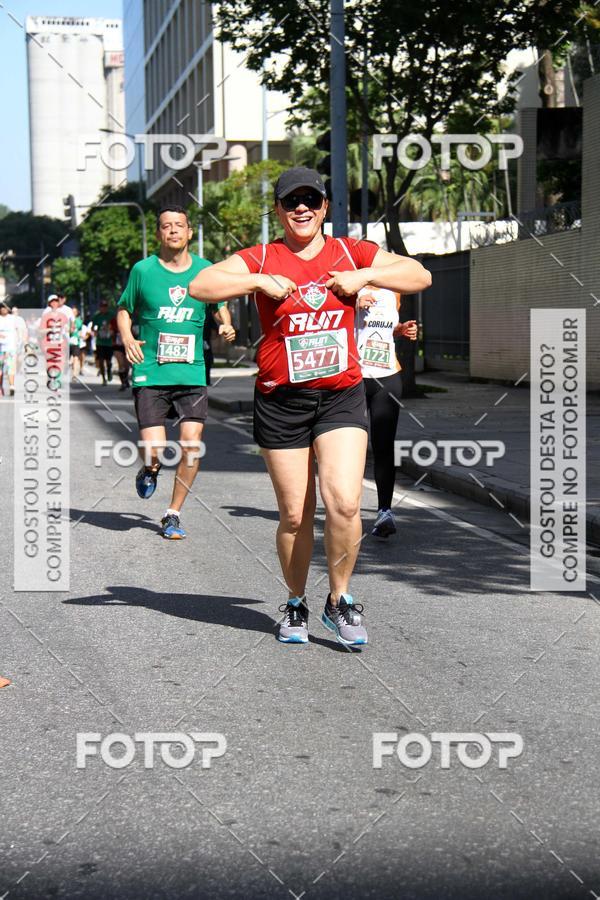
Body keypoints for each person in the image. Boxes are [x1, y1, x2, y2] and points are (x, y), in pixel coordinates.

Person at [189, 166, 431, 647]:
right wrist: (258, 282)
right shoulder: (262, 255)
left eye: (311, 200)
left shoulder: (349, 250)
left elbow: (418, 274)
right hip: (281, 399)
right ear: (278, 210)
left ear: (324, 207)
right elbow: (202, 286)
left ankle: (339, 600)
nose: (301, 207)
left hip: (341, 395)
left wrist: (365, 274)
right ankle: (297, 601)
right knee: (296, 515)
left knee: (344, 502)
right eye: (290, 200)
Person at [117, 205, 236, 539]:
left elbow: (220, 306)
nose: (173, 231)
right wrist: (127, 337)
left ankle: (172, 513)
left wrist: (226, 324)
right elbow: (125, 309)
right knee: (155, 449)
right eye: (166, 226)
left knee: (191, 445)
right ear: (159, 233)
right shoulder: (143, 270)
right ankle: (151, 467)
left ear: (190, 232)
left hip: (191, 373)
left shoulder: (205, 269)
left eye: (179, 225)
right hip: (151, 370)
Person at [356, 287, 417, 537]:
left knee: (384, 445)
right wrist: (354, 303)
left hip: (387, 375)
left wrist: (400, 330)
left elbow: (383, 329)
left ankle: (384, 512)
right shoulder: (347, 288)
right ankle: (346, 509)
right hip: (354, 378)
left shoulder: (393, 292)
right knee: (352, 447)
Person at [203, 302, 234, 385]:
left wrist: (227, 325)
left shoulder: (207, 305)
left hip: (204, 340)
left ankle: (206, 381)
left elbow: (220, 309)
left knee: (207, 360)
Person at [92, 300, 114, 384]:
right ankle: (103, 378)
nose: (103, 308)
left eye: (105, 306)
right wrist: (95, 331)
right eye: (102, 306)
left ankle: (109, 371)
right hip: (100, 342)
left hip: (109, 342)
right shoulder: (97, 316)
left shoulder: (111, 315)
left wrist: (111, 329)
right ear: (100, 307)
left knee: (108, 361)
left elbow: (115, 325)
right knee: (101, 360)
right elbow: (93, 327)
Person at [0, 302, 19, 396]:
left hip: (10, 347)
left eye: (5, 308)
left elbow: (19, 330)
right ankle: (0, 388)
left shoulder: (13, 318)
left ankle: (12, 386)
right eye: (1, 308)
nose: (3, 309)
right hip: (0, 348)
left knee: (10, 368)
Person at [69, 305, 85, 380]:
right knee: (69, 361)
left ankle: (74, 375)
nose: (73, 313)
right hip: (68, 342)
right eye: (72, 312)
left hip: (76, 342)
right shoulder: (67, 320)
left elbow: (80, 331)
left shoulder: (79, 321)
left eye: (75, 312)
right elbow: (69, 331)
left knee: (76, 359)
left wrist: (82, 336)